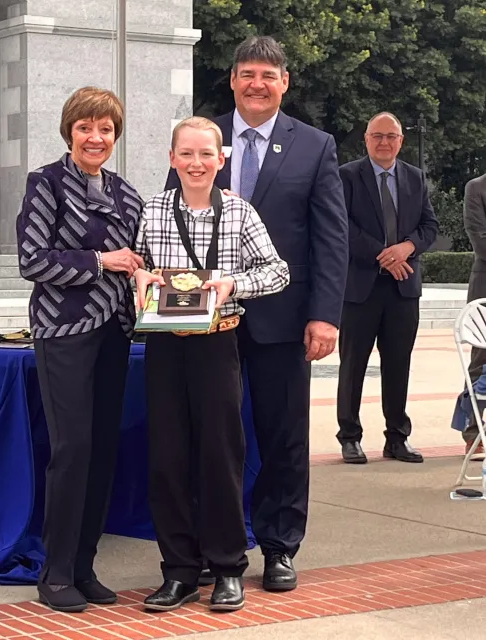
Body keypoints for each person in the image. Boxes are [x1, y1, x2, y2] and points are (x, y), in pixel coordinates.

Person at [165, 36, 348, 592]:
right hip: (204, 325)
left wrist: (325, 315)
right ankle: (206, 549)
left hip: (281, 319)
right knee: (208, 438)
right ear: (233, 79)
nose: (257, 83)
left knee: (281, 437)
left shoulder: (314, 146)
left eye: (268, 74)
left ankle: (278, 546)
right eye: (247, 73)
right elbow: (171, 227)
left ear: (284, 82)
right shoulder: (202, 137)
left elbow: (330, 238)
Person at [135, 117, 290, 612]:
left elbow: (278, 270)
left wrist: (232, 284)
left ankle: (226, 568)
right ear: (172, 158)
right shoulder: (154, 209)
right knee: (168, 458)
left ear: (221, 160)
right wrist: (140, 277)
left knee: (221, 458)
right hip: (164, 347)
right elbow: (138, 263)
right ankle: (178, 571)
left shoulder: (241, 213)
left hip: (218, 342)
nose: (197, 163)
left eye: (207, 154)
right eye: (187, 154)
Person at [16, 86, 144, 612]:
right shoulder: (46, 183)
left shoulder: (128, 194)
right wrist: (100, 261)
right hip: (63, 332)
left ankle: (85, 566)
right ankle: (56, 571)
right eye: (86, 127)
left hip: (115, 332)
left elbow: (141, 258)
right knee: (71, 451)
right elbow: (32, 260)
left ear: (115, 136)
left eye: (106, 129)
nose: (96, 137)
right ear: (70, 131)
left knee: (102, 452)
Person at [336, 112, 438, 464]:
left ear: (401, 140)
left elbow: (429, 226)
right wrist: (383, 255)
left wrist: (406, 248)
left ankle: (397, 437)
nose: (384, 142)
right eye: (377, 136)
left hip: (403, 290)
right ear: (366, 139)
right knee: (353, 365)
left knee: (398, 364)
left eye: (391, 136)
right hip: (360, 288)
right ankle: (349, 435)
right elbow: (341, 226)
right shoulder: (347, 176)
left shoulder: (415, 177)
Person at [461, 173, 486, 459]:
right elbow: (481, 240)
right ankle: (474, 433)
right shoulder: (476, 188)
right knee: (481, 361)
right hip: (485, 288)